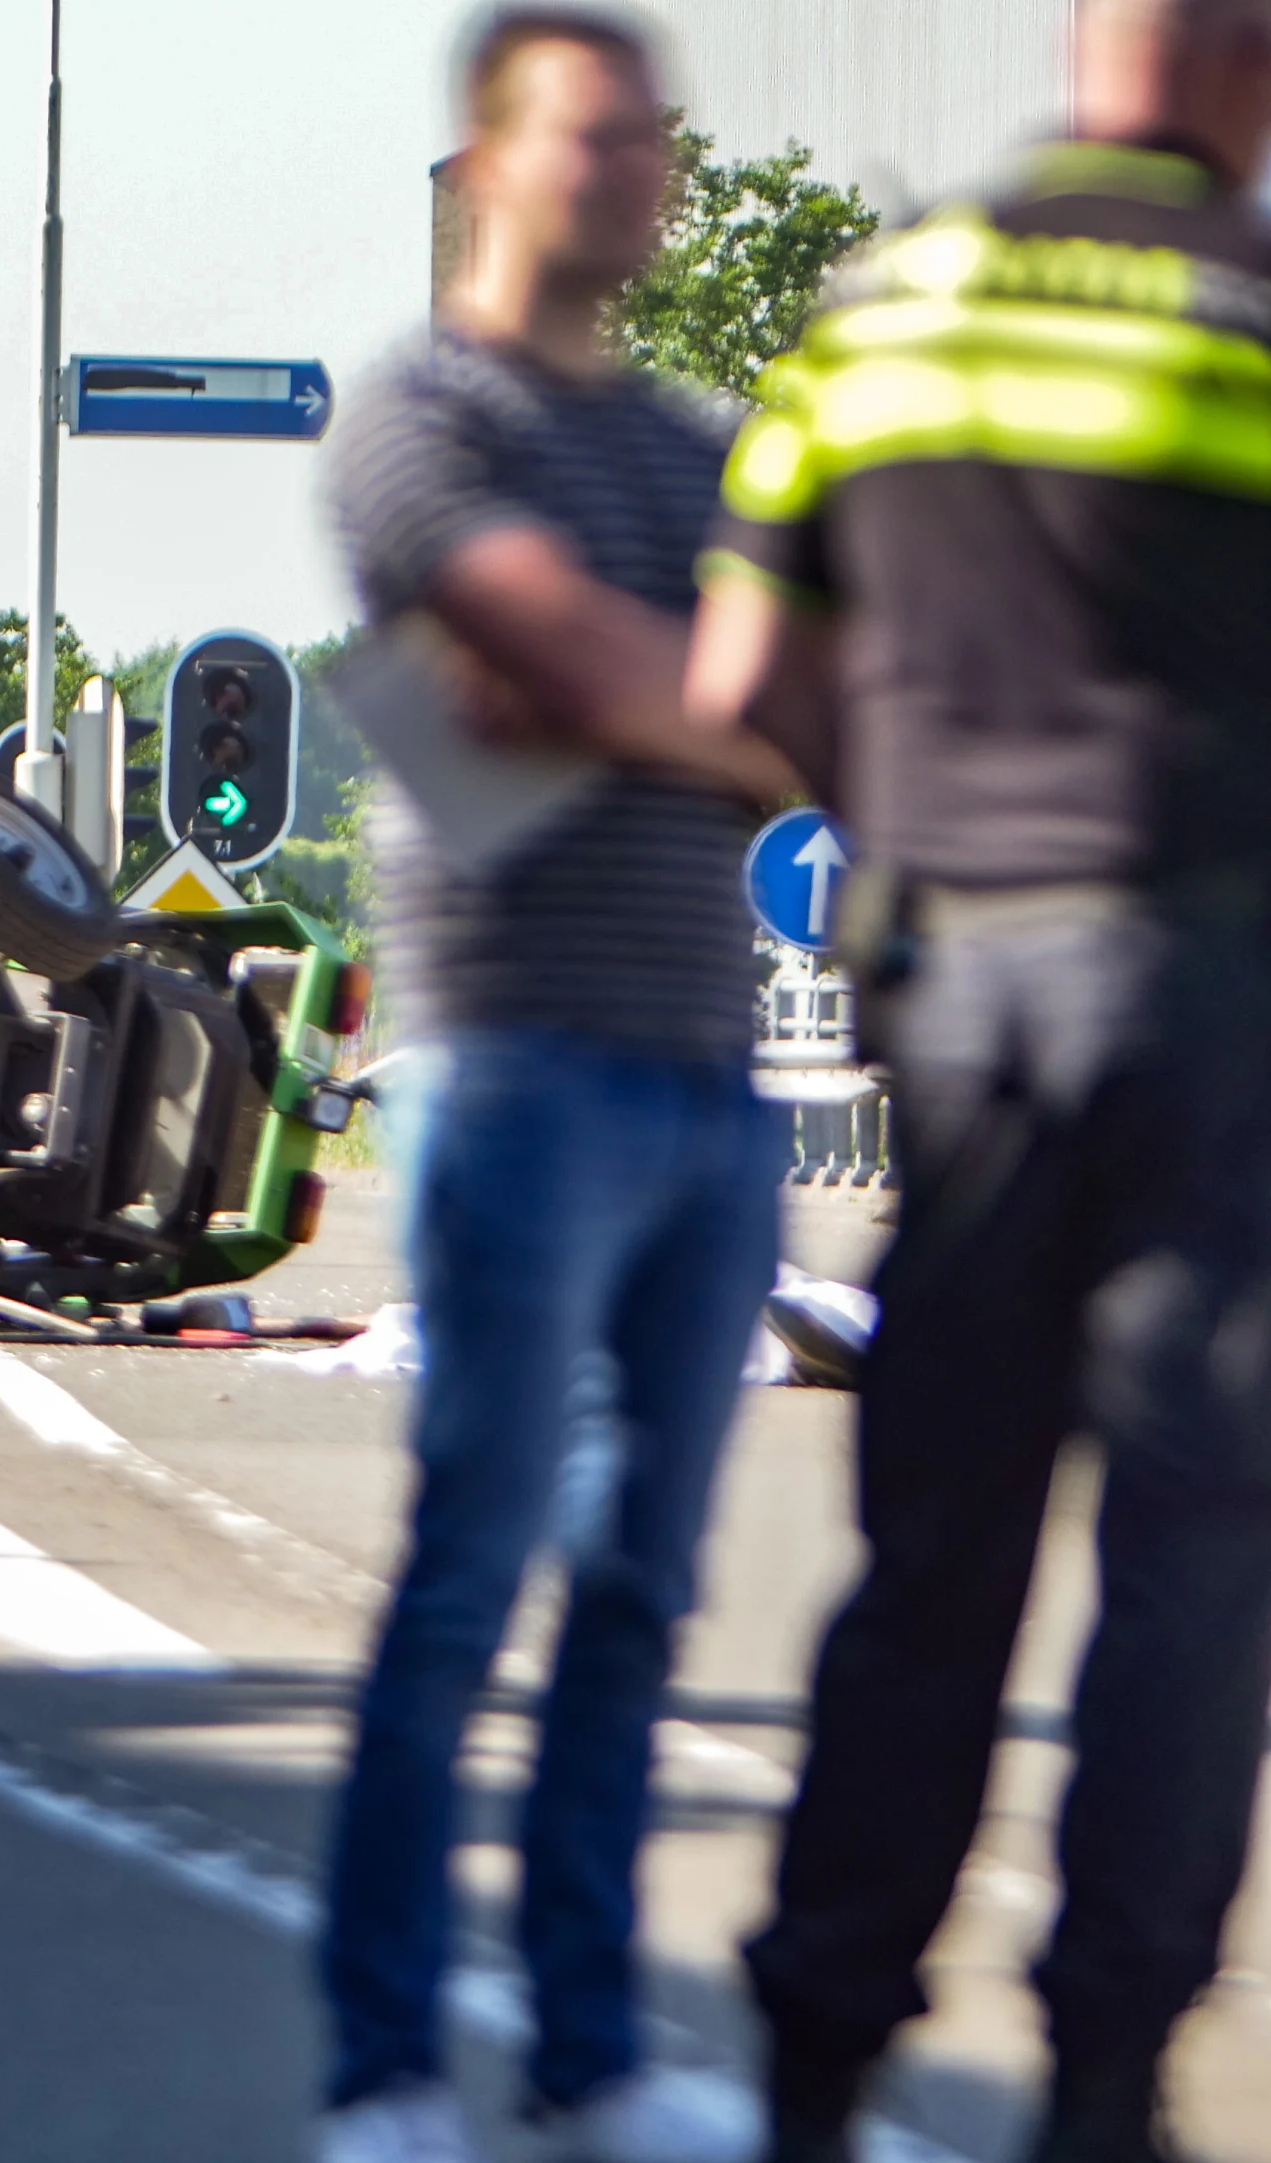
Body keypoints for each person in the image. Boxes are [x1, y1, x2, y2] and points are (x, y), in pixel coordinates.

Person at [683, 3, 1271, 2154]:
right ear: (1248, 63)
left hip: (959, 991)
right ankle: (1104, 2074)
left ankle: (818, 2046)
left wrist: (911, 837)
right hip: (1213, 995)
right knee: (1195, 1563)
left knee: (938, 1553)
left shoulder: (886, 312)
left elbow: (743, 680)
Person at [312, 13, 803, 2161]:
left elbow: (792, 712)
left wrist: (641, 689)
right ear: (490, 162)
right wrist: (672, 685)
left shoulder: (702, 446)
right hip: (517, 1069)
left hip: (712, 1078)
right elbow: (637, 671)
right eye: (588, 136)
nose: (631, 173)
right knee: (468, 1568)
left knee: (641, 1589)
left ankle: (592, 2052)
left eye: (651, 141)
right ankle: (388, 2063)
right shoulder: (419, 417)